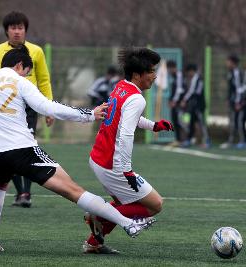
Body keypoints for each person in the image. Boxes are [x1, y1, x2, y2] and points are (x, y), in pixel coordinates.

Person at [0, 16, 155, 252]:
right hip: (23, 150)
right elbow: (48, 107)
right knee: (74, 190)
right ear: (20, 67)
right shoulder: (20, 81)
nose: (27, 76)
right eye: (27, 72)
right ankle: (128, 223)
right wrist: (89, 114)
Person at [82, 47, 174, 254]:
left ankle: (93, 243)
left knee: (125, 203)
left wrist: (153, 126)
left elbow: (125, 118)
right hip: (112, 165)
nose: (154, 76)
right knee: (155, 205)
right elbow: (125, 134)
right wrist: (127, 170)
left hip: (99, 158)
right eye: (151, 71)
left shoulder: (121, 87)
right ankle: (98, 214)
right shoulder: (136, 98)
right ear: (137, 74)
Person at [0, 11, 54, 208]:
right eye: (13, 28)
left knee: (27, 145)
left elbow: (43, 79)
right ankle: (22, 192)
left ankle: (25, 193)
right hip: (6, 107)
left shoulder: (37, 51)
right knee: (9, 146)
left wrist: (48, 108)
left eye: (20, 28)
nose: (17, 32)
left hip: (29, 106)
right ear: (6, 31)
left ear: (25, 30)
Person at [180, 64, 210, 148]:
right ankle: (189, 140)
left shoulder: (198, 79)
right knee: (191, 122)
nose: (188, 74)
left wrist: (184, 100)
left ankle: (207, 141)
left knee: (201, 123)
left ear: (192, 71)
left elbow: (194, 92)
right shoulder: (194, 79)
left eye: (189, 72)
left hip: (199, 105)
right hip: (193, 105)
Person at [220, 55, 243, 149]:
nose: (227, 64)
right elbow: (231, 89)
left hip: (237, 101)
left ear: (233, 63)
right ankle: (232, 140)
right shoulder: (231, 72)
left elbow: (238, 88)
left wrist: (238, 102)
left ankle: (241, 140)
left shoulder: (237, 73)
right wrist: (228, 99)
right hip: (232, 101)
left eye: (228, 62)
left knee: (237, 121)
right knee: (232, 121)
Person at [167, 60, 186, 146]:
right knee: (175, 120)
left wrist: (174, 101)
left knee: (180, 121)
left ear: (173, 68)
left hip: (179, 103)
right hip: (175, 102)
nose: (168, 71)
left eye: (169, 69)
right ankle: (178, 139)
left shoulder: (179, 75)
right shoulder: (174, 76)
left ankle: (184, 139)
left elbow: (179, 90)